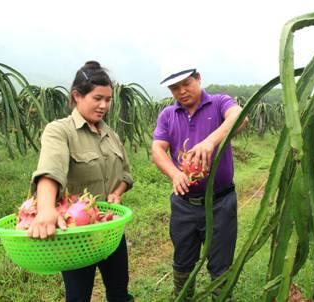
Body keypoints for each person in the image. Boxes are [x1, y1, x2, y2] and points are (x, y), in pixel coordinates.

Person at [27, 61, 134, 302]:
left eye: (108, 99)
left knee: (119, 293)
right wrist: (45, 210)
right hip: (77, 237)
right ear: (77, 96)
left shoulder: (111, 135)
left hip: (110, 231)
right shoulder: (60, 131)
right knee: (78, 297)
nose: (104, 105)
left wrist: (118, 191)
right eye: (97, 98)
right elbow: (50, 171)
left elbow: (126, 174)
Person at [152, 64, 247, 300]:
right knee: (182, 260)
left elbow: (240, 117)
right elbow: (158, 149)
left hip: (220, 203)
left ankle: (221, 297)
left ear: (198, 78)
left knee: (221, 263)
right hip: (184, 204)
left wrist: (210, 141)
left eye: (186, 84)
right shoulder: (167, 115)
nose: (182, 91)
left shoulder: (219, 102)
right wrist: (175, 174)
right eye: (175, 88)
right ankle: (183, 297)